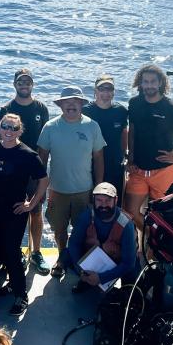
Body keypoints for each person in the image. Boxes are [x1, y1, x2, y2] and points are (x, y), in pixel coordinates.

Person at [0, 113, 49, 316]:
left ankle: (21, 295)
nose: (8, 131)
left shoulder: (27, 154)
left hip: (15, 211)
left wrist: (31, 204)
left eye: (13, 128)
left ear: (20, 131)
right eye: (5, 127)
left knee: (12, 251)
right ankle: (0, 286)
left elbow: (44, 181)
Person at [37, 86, 105, 277]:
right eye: (66, 102)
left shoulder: (92, 126)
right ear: (60, 105)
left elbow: (99, 158)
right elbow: (41, 160)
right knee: (59, 230)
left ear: (82, 104)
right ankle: (61, 257)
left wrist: (98, 188)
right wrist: (40, 190)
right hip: (57, 190)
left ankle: (78, 260)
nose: (71, 105)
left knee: (83, 230)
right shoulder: (49, 127)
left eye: (75, 101)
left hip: (84, 190)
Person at [125, 64, 173, 230]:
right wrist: (130, 156)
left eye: (153, 82)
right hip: (138, 171)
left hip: (164, 172)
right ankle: (150, 239)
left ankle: (155, 249)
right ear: (140, 83)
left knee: (163, 215)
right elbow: (132, 130)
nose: (149, 85)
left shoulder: (172, 108)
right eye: (146, 82)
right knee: (129, 211)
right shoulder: (135, 103)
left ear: (160, 83)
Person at [0, 68, 52, 275]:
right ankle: (14, 251)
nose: (24, 85)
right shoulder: (6, 108)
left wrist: (40, 172)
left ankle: (36, 252)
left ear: (32, 85)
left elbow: (45, 142)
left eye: (28, 82)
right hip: (10, 172)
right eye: (20, 82)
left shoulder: (41, 108)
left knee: (36, 211)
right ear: (14, 84)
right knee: (13, 211)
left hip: (34, 170)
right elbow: (1, 139)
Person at [67, 182, 138, 293]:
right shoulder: (86, 216)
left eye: (108, 200)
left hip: (118, 260)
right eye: (99, 200)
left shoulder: (126, 224)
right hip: (94, 259)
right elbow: (73, 244)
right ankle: (87, 279)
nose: (103, 205)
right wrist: (81, 271)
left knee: (132, 274)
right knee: (66, 255)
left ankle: (125, 290)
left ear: (116, 200)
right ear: (93, 200)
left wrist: (101, 278)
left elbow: (128, 263)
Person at [82, 74, 129, 198]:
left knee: (113, 200)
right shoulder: (85, 111)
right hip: (90, 163)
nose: (106, 93)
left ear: (113, 92)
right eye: (102, 89)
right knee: (91, 201)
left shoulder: (121, 111)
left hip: (114, 164)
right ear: (95, 91)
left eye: (109, 89)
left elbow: (124, 133)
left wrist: (124, 155)